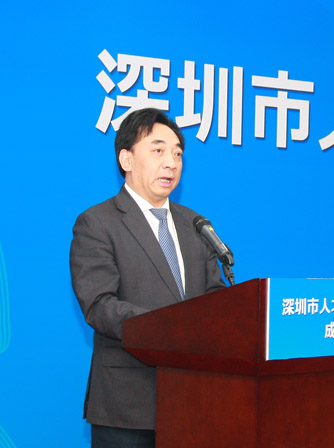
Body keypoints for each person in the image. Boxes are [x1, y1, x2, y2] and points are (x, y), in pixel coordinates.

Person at [70, 108, 225, 447]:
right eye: (158, 151)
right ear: (126, 159)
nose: (171, 163)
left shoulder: (197, 225)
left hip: (193, 398)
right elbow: (99, 305)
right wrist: (170, 327)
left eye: (177, 154)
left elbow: (216, 300)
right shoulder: (97, 223)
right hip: (127, 406)